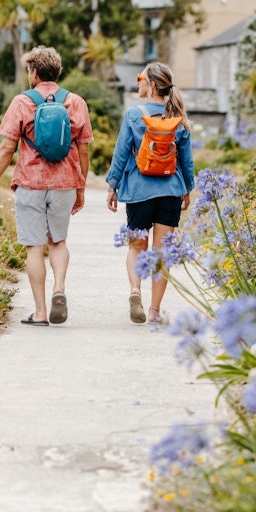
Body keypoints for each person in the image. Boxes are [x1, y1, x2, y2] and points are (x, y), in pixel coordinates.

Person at [0, 46, 93, 326]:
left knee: (34, 247)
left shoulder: (22, 102)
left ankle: (41, 311)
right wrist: (81, 187)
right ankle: (59, 289)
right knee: (59, 241)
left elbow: (7, 148)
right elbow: (84, 151)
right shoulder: (75, 102)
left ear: (35, 72)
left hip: (30, 183)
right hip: (65, 182)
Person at [105, 62, 195, 325]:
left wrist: (112, 185)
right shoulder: (178, 118)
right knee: (161, 253)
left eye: (141, 78)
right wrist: (187, 189)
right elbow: (186, 161)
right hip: (170, 192)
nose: (139, 83)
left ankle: (135, 290)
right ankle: (155, 311)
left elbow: (121, 153)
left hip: (138, 191)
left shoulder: (134, 115)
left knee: (136, 247)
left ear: (152, 85)